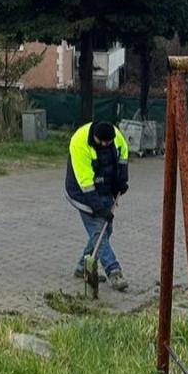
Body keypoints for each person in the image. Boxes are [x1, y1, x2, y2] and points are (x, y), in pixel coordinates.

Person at [65, 120, 130, 292]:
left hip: (106, 189)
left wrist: (122, 180)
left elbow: (123, 154)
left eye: (108, 143)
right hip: (83, 194)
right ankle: (114, 271)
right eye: (102, 142)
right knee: (98, 230)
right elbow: (85, 183)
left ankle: (82, 268)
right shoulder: (79, 143)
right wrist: (100, 210)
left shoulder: (115, 136)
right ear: (95, 138)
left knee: (105, 231)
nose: (105, 145)